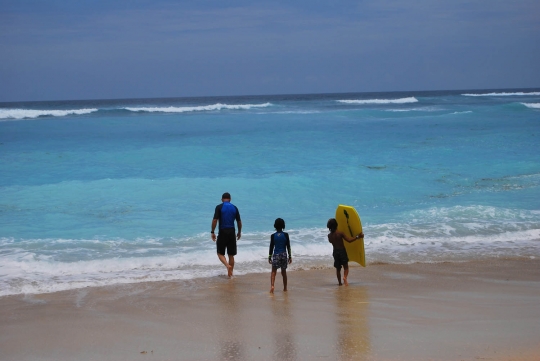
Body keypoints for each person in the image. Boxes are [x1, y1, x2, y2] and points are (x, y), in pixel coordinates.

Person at [211, 192, 242, 277]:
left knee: (220, 253)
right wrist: (239, 232)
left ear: (222, 199)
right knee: (231, 255)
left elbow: (214, 220)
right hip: (232, 232)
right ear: (230, 199)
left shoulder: (219, 207)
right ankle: (230, 274)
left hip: (223, 231)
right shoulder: (234, 207)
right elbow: (239, 221)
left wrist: (212, 232)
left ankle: (227, 265)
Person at [327, 218, 363, 286]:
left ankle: (340, 283)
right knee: (346, 267)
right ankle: (345, 277)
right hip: (342, 251)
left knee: (338, 269)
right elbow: (349, 240)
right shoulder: (340, 233)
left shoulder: (329, 236)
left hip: (335, 252)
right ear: (336, 225)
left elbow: (331, 241)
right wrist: (358, 236)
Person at [268, 218, 292, 293]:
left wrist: (269, 256)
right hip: (284, 254)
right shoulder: (286, 235)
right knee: (283, 272)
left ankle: (272, 286)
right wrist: (290, 256)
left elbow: (271, 247)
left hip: (276, 255)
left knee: (273, 272)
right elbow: (288, 246)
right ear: (283, 226)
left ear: (275, 226)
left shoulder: (273, 236)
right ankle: (285, 288)